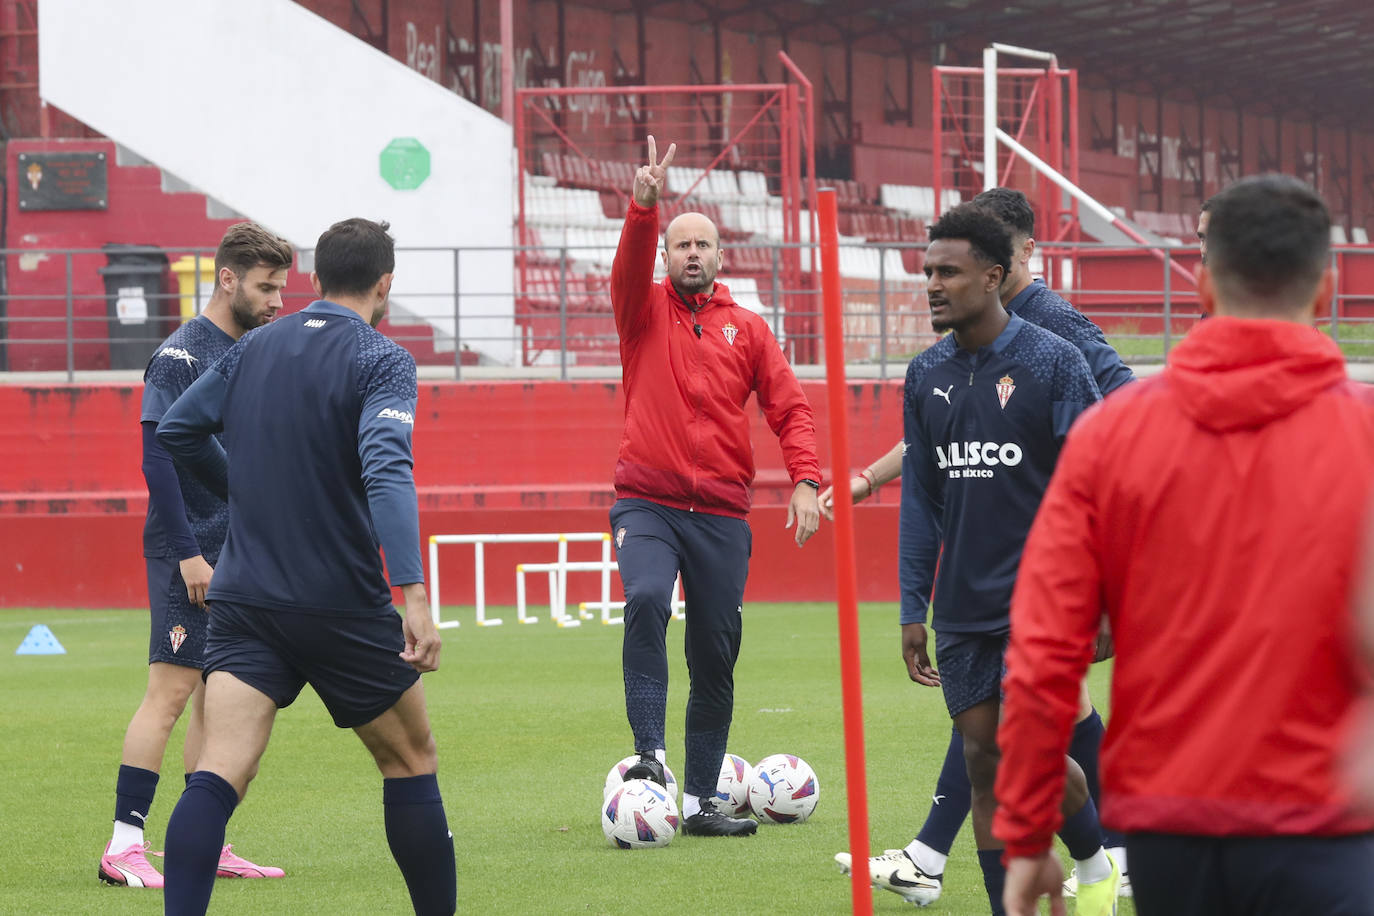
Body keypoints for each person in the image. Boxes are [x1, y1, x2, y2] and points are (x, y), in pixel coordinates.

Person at [996, 174, 1374, 916]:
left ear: (1201, 285)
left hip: (1171, 826)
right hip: (1332, 822)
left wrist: (1029, 830)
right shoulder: (1364, 436)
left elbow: (1043, 650)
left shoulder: (1113, 436)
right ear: (1327, 295)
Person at [827, 187, 1132, 904]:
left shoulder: (1054, 360)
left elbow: (1101, 485)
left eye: (948, 273)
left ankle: (1097, 859)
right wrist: (911, 604)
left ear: (994, 276)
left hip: (1045, 601)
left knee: (1029, 751)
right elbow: (926, 501)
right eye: (927, 272)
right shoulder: (925, 374)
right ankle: (1067, 876)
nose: (931, 285)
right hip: (961, 606)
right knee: (985, 757)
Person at [156, 218, 455, 915]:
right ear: (386, 284)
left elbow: (178, 430)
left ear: (315, 281)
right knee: (410, 760)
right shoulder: (382, 359)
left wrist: (245, 490)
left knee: (217, 773)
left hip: (245, 598)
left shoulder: (253, 346)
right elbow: (387, 472)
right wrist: (413, 594)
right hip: (339, 601)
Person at [610, 136, 822, 837]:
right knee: (644, 599)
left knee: (715, 647)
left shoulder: (750, 330)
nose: (692, 253)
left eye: (704, 244)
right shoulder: (640, 313)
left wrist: (806, 479)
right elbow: (630, 261)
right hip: (649, 500)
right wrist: (645, 207)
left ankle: (701, 800)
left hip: (723, 514)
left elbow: (790, 409)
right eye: (681, 245)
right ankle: (649, 757)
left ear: (721, 257)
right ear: (667, 258)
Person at [99, 222, 292, 889]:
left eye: (283, 289)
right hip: (191, 552)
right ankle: (124, 843)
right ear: (227, 279)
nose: (276, 301)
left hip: (236, 550)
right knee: (171, 691)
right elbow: (158, 457)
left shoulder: (247, 351)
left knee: (219, 696)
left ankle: (203, 841)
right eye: (266, 287)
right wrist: (187, 554)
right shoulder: (182, 355)